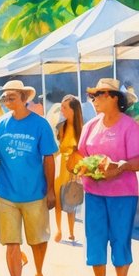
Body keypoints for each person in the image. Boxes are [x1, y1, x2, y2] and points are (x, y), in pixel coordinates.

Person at [0, 79, 59, 276]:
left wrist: (51, 190)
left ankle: (39, 273)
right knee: (11, 242)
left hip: (35, 193)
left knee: (38, 240)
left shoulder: (40, 125)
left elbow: (49, 159)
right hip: (6, 194)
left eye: (11, 96)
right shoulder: (0, 125)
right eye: (4, 97)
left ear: (25, 99)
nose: (6, 100)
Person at [74, 78, 139, 276]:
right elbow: (79, 154)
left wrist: (121, 166)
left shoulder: (129, 126)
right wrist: (83, 166)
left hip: (122, 194)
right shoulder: (90, 126)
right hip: (94, 192)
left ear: (114, 97)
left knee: (120, 239)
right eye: (93, 95)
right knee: (95, 240)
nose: (94, 100)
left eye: (99, 95)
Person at [52, 95, 83, 243]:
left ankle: (71, 232)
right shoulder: (61, 126)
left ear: (73, 110)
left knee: (71, 200)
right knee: (58, 198)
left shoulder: (82, 129)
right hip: (61, 167)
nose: (62, 110)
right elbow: (58, 148)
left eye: (65, 107)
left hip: (74, 168)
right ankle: (58, 230)